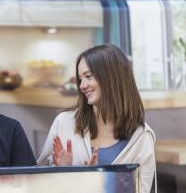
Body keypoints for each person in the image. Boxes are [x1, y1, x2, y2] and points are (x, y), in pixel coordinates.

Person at [37, 44, 156, 193]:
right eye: (80, 78)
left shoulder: (142, 137)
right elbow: (38, 183)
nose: (82, 85)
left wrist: (94, 182)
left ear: (112, 77)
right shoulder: (64, 123)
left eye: (88, 76)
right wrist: (64, 172)